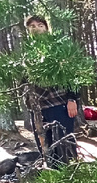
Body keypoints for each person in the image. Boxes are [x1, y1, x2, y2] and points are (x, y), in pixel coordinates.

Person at [23, 15, 79, 163]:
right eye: (32, 26)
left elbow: (74, 76)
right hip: (37, 109)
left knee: (65, 144)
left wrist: (72, 99)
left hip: (60, 105)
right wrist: (28, 101)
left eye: (40, 25)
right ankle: (52, 177)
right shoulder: (25, 54)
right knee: (45, 147)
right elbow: (24, 82)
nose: (36, 29)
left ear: (47, 29)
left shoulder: (59, 48)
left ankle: (72, 177)